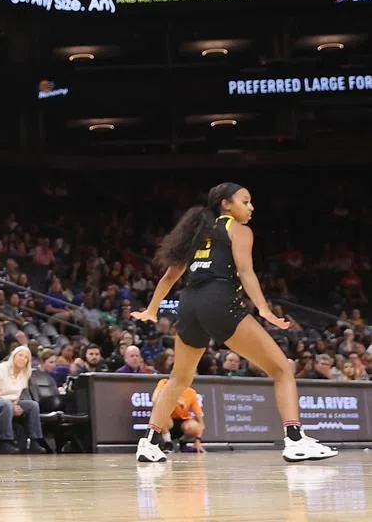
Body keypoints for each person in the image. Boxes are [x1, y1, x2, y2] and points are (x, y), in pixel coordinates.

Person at [132, 182, 337, 463]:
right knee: (282, 370)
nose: (251, 207)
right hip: (219, 300)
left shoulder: (197, 232)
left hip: (189, 304)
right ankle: (295, 440)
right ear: (225, 204)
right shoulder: (238, 229)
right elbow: (245, 271)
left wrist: (152, 309)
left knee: (179, 379)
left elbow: (170, 276)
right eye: (245, 201)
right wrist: (264, 310)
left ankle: (150, 442)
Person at [0, 345, 44, 453]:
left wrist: (16, 405)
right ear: (13, 356)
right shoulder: (0, 369)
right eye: (20, 355)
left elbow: (17, 395)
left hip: (11, 403)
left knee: (33, 405)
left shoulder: (25, 373)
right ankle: (6, 442)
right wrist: (11, 405)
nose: (23, 358)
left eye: (26, 357)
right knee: (6, 405)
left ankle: (35, 442)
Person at [151, 377, 204, 453]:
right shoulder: (164, 383)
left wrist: (198, 441)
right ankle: (168, 443)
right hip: (166, 422)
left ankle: (182, 443)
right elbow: (154, 399)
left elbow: (200, 422)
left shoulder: (191, 392)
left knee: (194, 427)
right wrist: (175, 400)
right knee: (160, 414)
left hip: (182, 423)